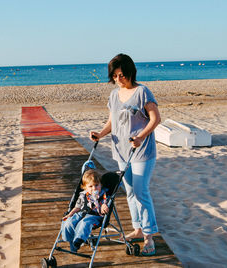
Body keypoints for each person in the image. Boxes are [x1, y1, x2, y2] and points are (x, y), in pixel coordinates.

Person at [89, 53, 161, 256]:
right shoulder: (114, 95)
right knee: (129, 192)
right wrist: (100, 134)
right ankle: (137, 228)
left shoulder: (142, 92)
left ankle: (149, 237)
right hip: (120, 151)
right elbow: (112, 121)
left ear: (130, 73)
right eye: (115, 76)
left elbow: (155, 119)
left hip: (141, 151)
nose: (119, 80)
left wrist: (140, 137)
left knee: (140, 192)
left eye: (122, 75)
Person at [61, 169, 110, 252]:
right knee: (69, 221)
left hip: (95, 216)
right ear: (85, 187)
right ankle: (70, 239)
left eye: (96, 185)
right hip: (81, 213)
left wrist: (104, 206)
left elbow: (105, 204)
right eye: (90, 186)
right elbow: (77, 207)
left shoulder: (103, 195)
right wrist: (70, 214)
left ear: (101, 185)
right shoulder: (83, 195)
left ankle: (79, 240)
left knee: (84, 223)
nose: (94, 188)